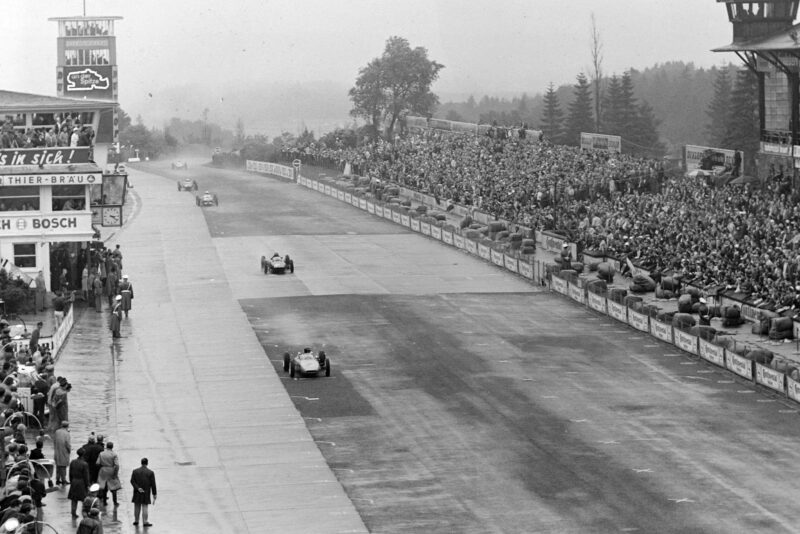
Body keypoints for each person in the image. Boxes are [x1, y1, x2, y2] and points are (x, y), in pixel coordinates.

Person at [130, 457, 156, 527]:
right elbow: (153, 484)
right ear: (147, 463)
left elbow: (132, 481)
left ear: (141, 463)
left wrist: (138, 488)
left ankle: (136, 520)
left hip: (137, 492)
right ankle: (145, 521)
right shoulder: (150, 472)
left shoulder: (135, 471)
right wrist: (154, 494)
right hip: (146, 492)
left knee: (137, 506)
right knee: (145, 506)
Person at [68, 448, 90, 518]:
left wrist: (71, 481)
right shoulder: (85, 464)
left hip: (74, 481)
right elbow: (86, 476)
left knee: (74, 499)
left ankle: (73, 513)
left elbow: (70, 473)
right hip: (82, 483)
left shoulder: (73, 462)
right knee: (84, 499)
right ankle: (85, 513)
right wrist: (88, 485)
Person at [96, 441, 120, 507]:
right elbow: (117, 465)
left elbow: (97, 463)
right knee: (113, 487)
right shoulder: (114, 454)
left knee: (104, 486)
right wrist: (115, 473)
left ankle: (104, 502)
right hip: (111, 470)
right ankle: (115, 502)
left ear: (106, 446)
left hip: (103, 470)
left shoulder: (101, 453)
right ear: (112, 447)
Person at [53, 421, 71, 485]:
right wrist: (69, 450)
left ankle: (57, 480)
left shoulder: (57, 431)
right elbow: (67, 444)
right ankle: (63, 480)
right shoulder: (67, 433)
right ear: (67, 426)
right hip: (64, 452)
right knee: (63, 467)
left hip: (57, 451)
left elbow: (54, 441)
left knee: (58, 466)